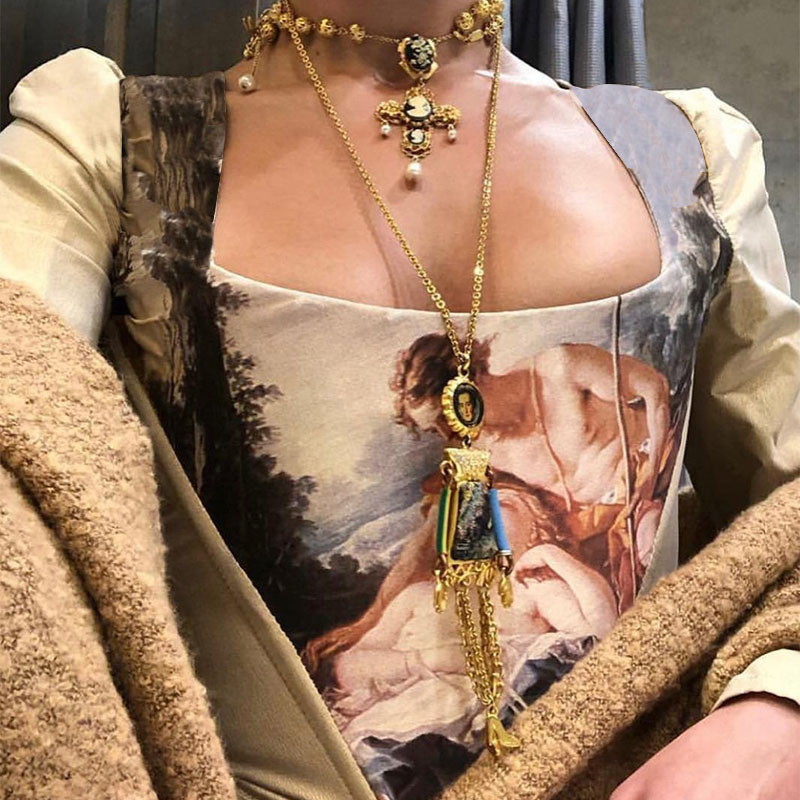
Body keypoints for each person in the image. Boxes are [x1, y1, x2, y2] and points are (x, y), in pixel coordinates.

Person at [1, 1, 799, 799]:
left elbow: (785, 495)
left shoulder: (676, 150)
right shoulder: (113, 144)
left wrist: (775, 707)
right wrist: (363, 623)